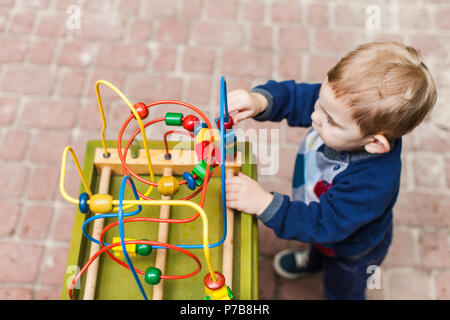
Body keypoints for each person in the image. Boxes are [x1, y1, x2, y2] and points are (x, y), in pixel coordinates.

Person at [224, 42, 437, 299]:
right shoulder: (339, 109)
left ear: (374, 142)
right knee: (318, 244)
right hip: (324, 221)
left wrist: (262, 203)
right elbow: (298, 98)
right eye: (320, 104)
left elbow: (323, 223)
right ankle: (313, 260)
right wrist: (259, 100)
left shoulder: (373, 183)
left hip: (350, 252)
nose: (315, 116)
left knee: (341, 289)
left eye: (330, 120)